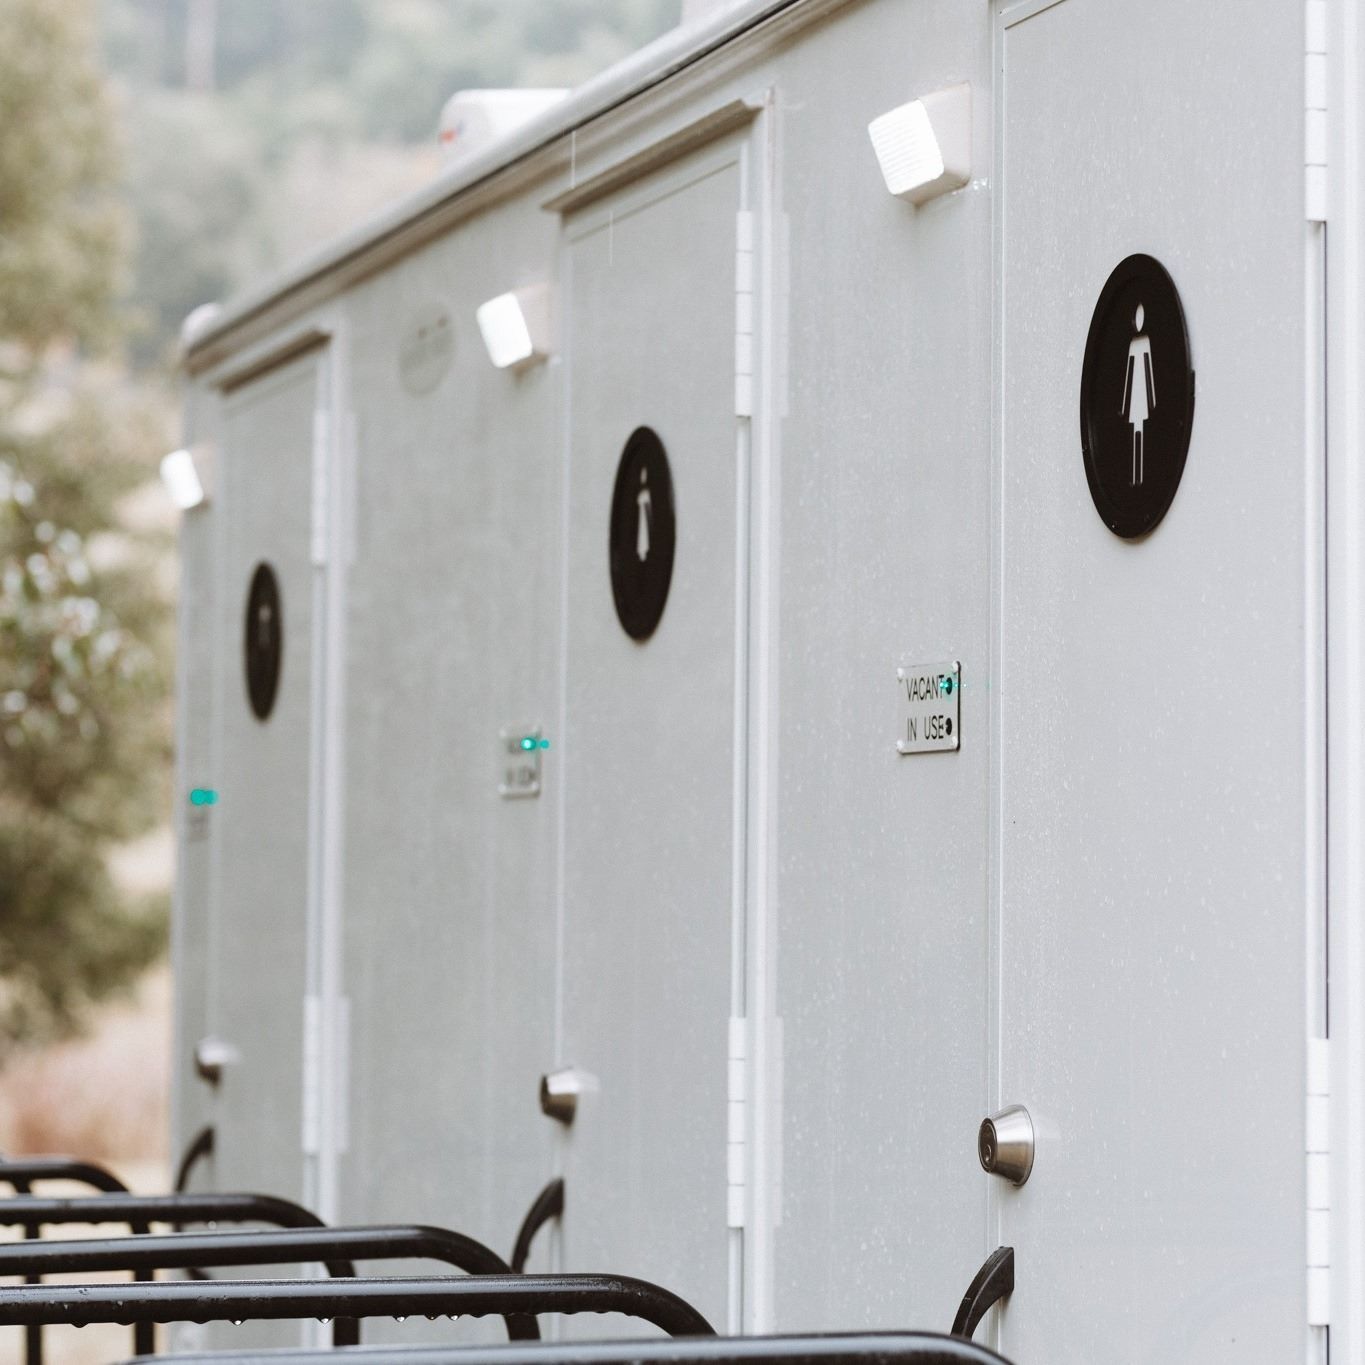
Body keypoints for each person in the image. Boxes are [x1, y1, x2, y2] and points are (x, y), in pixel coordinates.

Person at [1121, 302, 1155, 485]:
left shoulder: (1145, 343)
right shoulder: (1133, 345)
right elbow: (1128, 372)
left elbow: (1149, 370)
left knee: (1141, 429)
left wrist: (1152, 401)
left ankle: (1139, 476)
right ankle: (1135, 476)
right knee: (1135, 430)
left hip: (1141, 394)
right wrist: (1125, 405)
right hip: (1135, 395)